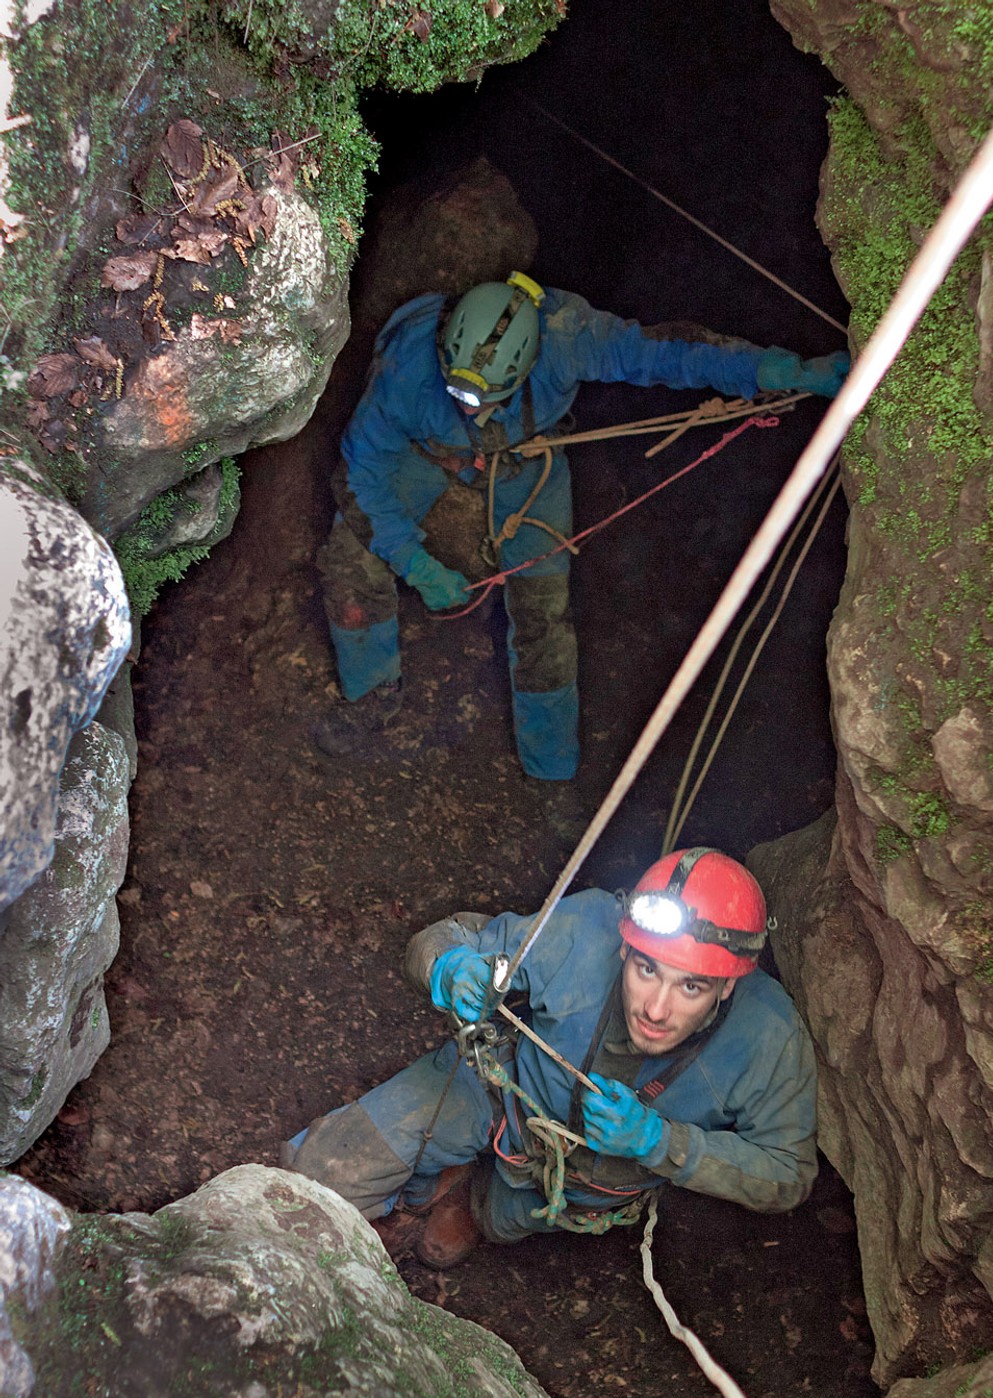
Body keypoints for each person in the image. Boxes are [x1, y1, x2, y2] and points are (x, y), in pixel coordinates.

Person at [315, 272, 850, 778]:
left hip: (528, 459)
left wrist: (776, 371)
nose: (468, 404)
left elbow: (669, 353)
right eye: (458, 390)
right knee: (352, 555)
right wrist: (416, 564)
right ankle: (370, 701)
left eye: (483, 396)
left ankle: (549, 767)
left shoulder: (568, 337)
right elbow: (360, 474)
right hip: (429, 453)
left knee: (542, 610)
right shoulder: (407, 368)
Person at [281, 847, 818, 1268]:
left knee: (483, 1230)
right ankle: (422, 1189)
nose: (657, 1008)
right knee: (317, 1175)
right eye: (647, 969)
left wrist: (662, 1144)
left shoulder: (768, 1038)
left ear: (726, 989)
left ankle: (472, 1198)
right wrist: (448, 966)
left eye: (691, 987)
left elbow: (788, 1173)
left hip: (591, 1181)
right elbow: (449, 936)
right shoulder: (586, 931)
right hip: (501, 1092)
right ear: (627, 948)